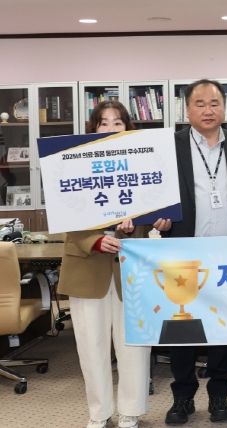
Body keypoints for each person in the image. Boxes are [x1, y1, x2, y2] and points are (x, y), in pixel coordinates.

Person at [58, 100, 155, 428]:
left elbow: (155, 213)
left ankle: (130, 411)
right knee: (91, 346)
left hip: (131, 267)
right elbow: (67, 216)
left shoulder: (143, 164)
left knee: (134, 344)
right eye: (103, 122)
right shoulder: (73, 164)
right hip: (88, 267)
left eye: (118, 122)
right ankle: (99, 413)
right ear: (93, 128)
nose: (111, 128)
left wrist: (145, 223)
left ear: (128, 127)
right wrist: (94, 240)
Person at [162, 79, 227, 425]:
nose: (208, 110)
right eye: (199, 103)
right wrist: (160, 218)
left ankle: (219, 395)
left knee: (222, 329)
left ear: (224, 107)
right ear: (187, 110)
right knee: (182, 329)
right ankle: (182, 396)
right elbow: (159, 195)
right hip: (184, 250)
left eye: (214, 103)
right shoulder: (172, 145)